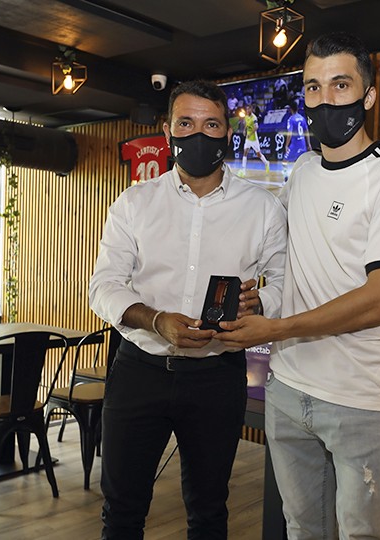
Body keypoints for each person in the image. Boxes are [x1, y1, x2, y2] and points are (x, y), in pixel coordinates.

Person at [216, 32, 380, 539]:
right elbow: (277, 254)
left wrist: (277, 326)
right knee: (300, 531)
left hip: (359, 399)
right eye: (313, 88)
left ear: (368, 96)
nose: (325, 100)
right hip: (288, 389)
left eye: (340, 85)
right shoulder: (304, 171)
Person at [89, 79, 287, 540]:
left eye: (211, 124)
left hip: (217, 377)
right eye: (186, 123)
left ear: (227, 133)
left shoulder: (262, 208)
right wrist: (156, 321)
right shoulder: (134, 203)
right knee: (121, 511)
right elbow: (103, 286)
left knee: (209, 510)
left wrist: (261, 302)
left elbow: (282, 284)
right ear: (168, 131)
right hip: (139, 371)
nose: (198, 134)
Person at [240, 103, 270, 175]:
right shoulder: (246, 117)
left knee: (258, 154)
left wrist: (250, 134)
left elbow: (256, 127)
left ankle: (266, 163)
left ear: (251, 109)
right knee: (245, 153)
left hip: (253, 139)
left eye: (249, 109)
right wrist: (244, 130)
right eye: (246, 109)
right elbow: (246, 125)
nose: (247, 110)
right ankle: (243, 171)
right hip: (248, 139)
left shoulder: (254, 118)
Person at [282, 101, 308, 179]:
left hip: (295, 144)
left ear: (290, 109)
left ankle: (285, 179)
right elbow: (306, 131)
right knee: (300, 162)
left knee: (285, 161)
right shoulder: (302, 118)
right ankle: (303, 178)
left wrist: (286, 145)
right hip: (303, 144)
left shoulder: (291, 119)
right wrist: (308, 144)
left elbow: (289, 133)